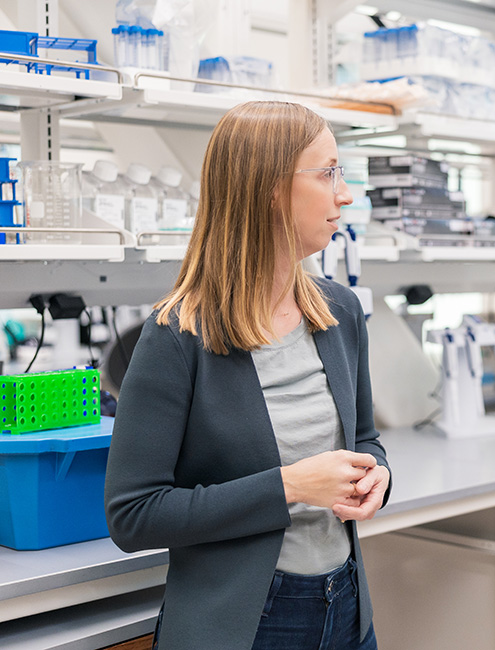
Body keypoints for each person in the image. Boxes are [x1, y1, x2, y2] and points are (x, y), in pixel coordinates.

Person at [104, 101, 390, 650]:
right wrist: (291, 486)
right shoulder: (177, 335)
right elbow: (134, 515)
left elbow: (366, 441)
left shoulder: (339, 312)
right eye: (328, 172)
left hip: (347, 607)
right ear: (270, 188)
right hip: (246, 623)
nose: (345, 193)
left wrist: (378, 475)